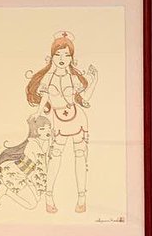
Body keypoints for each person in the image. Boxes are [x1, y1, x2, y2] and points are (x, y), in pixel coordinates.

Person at [25, 32, 98, 214]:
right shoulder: (47, 78)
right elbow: (45, 98)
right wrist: (38, 112)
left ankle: (82, 198)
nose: (62, 59)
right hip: (58, 120)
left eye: (66, 55)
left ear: (72, 58)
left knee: (80, 156)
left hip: (78, 119)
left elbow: (84, 100)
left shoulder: (73, 78)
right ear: (52, 57)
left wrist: (94, 80)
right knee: (55, 156)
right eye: (58, 54)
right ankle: (49, 197)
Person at [0, 115, 51, 210]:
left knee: (37, 198)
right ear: (35, 131)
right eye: (42, 129)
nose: (47, 132)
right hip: (14, 175)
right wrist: (42, 187)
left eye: (49, 128)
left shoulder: (40, 143)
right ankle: (5, 190)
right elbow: (40, 168)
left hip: (23, 174)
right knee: (32, 204)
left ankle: (4, 188)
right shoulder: (33, 144)